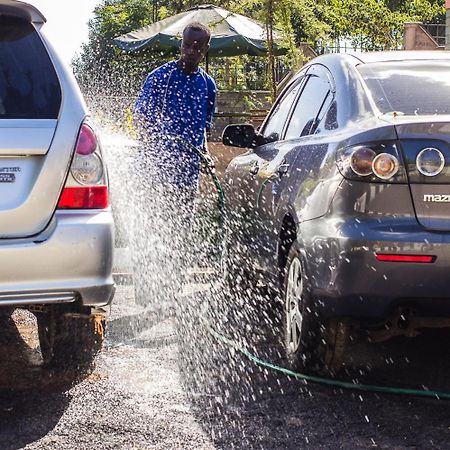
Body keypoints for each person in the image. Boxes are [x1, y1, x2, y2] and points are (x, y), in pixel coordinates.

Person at [131, 22, 217, 308]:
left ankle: (173, 293)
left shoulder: (208, 85)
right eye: (187, 44)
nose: (191, 50)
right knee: (152, 231)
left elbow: (203, 128)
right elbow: (140, 118)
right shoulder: (160, 78)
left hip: (187, 177)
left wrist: (205, 156)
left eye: (197, 46)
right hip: (154, 173)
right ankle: (146, 289)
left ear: (205, 49)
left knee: (180, 235)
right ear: (181, 44)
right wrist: (157, 141)